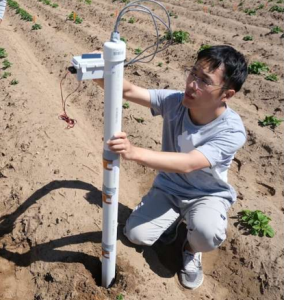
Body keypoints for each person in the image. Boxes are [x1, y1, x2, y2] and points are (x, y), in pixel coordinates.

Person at [95, 45, 248, 290]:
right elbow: (129, 90)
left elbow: (189, 164)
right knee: (136, 235)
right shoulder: (175, 102)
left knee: (207, 234)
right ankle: (172, 221)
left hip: (205, 194)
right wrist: (99, 71)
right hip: (169, 187)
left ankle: (190, 249)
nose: (192, 84)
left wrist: (134, 152)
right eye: (193, 73)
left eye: (204, 81)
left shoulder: (231, 130)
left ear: (227, 94)